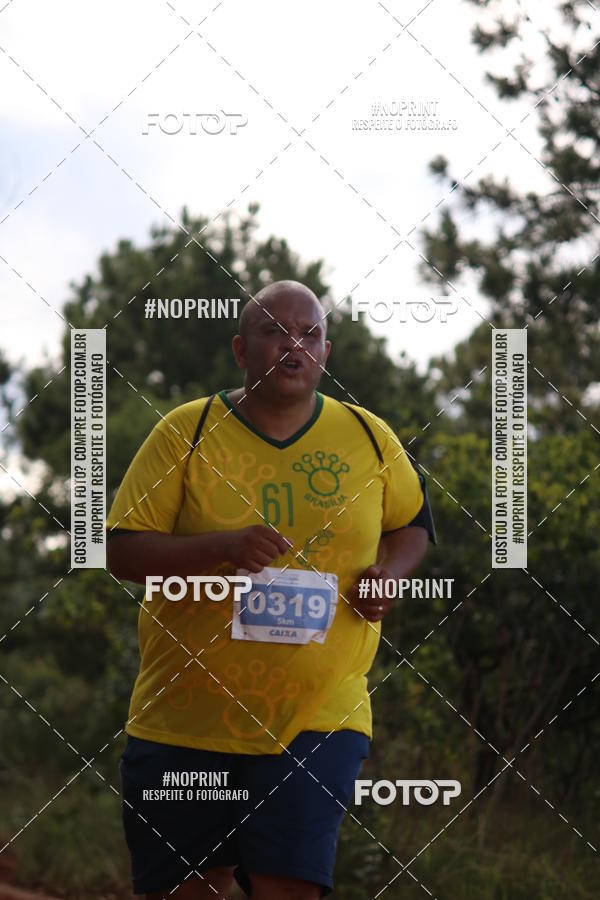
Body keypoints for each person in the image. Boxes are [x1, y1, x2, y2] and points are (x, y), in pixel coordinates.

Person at [107, 280, 435, 900]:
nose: (294, 346)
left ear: (326, 353)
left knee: (290, 885)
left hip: (319, 715)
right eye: (274, 332)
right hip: (186, 721)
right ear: (240, 349)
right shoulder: (186, 432)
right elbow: (121, 550)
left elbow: (412, 523)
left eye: (309, 335)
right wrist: (221, 548)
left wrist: (388, 574)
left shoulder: (369, 437)